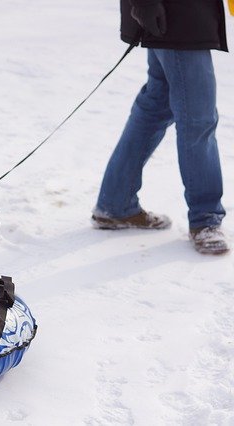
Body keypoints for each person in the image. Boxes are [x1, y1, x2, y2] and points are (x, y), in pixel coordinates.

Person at [92, 0, 229, 255]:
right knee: (198, 118)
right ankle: (205, 219)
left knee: (157, 104)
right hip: (177, 15)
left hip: (177, 14)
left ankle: (116, 203)